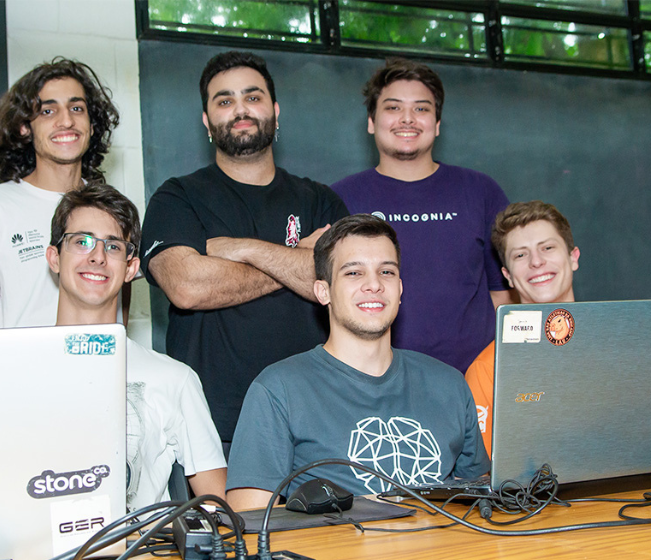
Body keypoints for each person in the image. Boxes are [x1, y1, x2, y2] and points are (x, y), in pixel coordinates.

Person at [140, 51, 349, 449]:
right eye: (224, 100)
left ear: (275, 111)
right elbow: (188, 287)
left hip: (317, 422)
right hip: (210, 430)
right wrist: (297, 259)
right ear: (206, 121)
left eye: (253, 97)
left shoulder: (321, 201)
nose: (240, 109)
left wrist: (242, 248)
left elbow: (340, 285)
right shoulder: (177, 197)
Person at [226, 214, 489, 510]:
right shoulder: (279, 390)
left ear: (400, 288)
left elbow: (482, 505)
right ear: (323, 292)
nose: (374, 284)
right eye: (353, 273)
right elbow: (250, 519)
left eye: (386, 272)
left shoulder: (449, 384)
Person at [45, 183, 226, 511]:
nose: (97, 256)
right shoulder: (13, 371)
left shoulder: (174, 379)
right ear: (54, 258)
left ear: (130, 268)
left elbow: (221, 508)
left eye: (113, 246)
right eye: (82, 242)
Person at [332, 58, 513, 374]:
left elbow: (505, 294)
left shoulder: (481, 191)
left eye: (421, 108)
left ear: (437, 123)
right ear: (371, 121)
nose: (407, 118)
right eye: (393, 107)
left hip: (471, 382)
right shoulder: (339, 199)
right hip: (371, 381)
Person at [0, 57, 127, 329]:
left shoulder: (113, 211)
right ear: (25, 128)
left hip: (94, 357)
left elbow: (117, 319)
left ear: (92, 124)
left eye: (77, 108)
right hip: (17, 359)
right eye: (48, 111)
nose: (67, 121)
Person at [466, 200, 580, 457]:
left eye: (547, 248)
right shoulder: (488, 369)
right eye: (520, 255)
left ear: (573, 258)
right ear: (507, 276)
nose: (536, 262)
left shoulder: (627, 349)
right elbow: (484, 472)